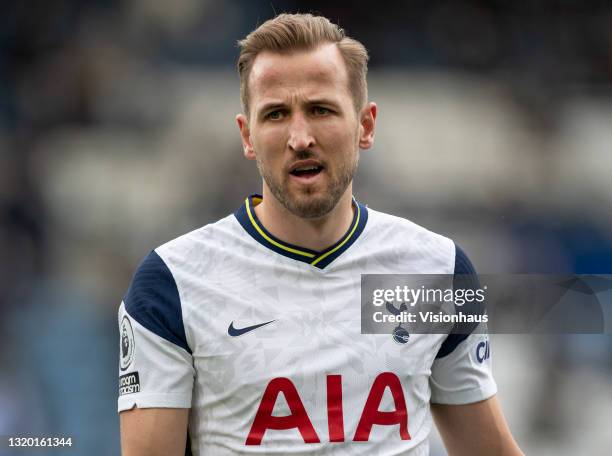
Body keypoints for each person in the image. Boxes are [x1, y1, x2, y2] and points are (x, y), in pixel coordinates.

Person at [118, 13, 523, 455]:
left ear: (365, 125)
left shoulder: (436, 272)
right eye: (275, 114)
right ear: (247, 135)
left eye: (320, 109)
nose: (300, 137)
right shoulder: (175, 281)